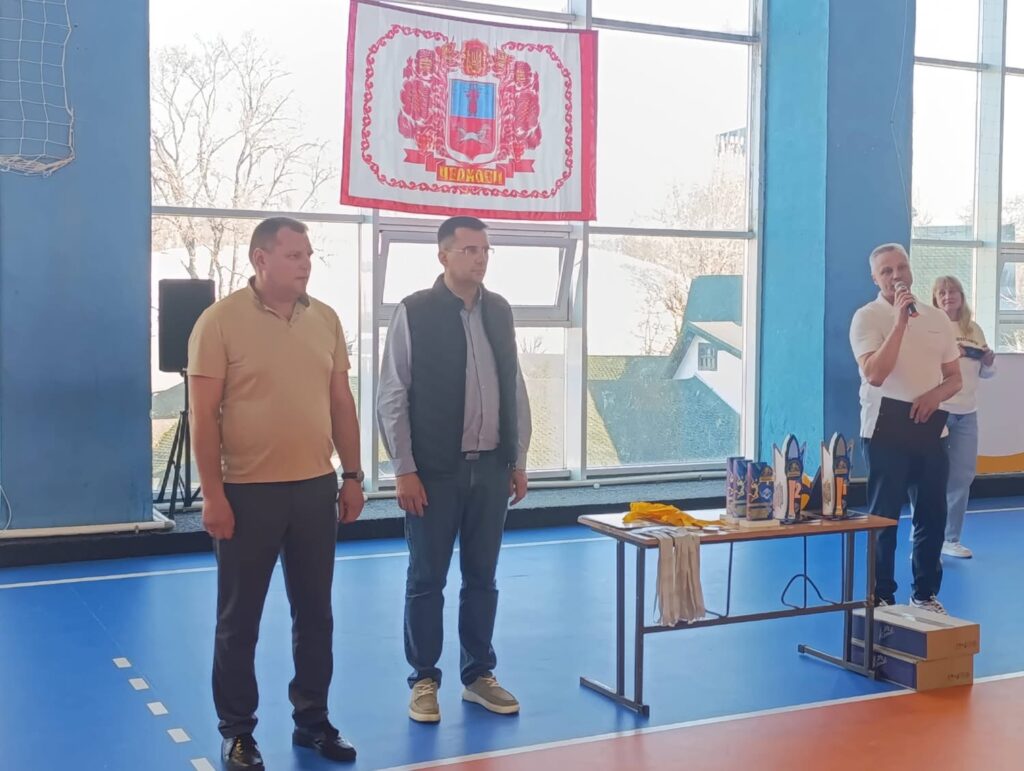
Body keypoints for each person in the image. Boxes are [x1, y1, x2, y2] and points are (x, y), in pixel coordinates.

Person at [189, 217, 364, 770]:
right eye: (293, 255)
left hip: (314, 489)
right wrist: (212, 495)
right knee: (239, 620)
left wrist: (352, 475)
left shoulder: (326, 319)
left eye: (308, 255)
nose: (305, 264)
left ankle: (313, 721)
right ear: (260, 259)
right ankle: (238, 732)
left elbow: (340, 401)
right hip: (245, 493)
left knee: (315, 615)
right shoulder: (219, 322)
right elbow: (203, 416)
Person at [377, 215, 532, 724]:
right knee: (426, 580)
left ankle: (478, 676)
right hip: (434, 473)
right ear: (443, 255)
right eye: (469, 249)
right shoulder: (415, 311)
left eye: (485, 250)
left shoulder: (500, 311)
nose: (480, 258)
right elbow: (393, 394)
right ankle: (424, 680)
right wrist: (404, 469)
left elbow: (513, 387)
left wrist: (517, 459)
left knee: (482, 578)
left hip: (491, 469)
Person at [849, 243, 962, 614]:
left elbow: (954, 377)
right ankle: (881, 595)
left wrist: (935, 395)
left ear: (911, 270)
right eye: (887, 271)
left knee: (932, 516)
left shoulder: (937, 318)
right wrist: (899, 323)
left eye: (901, 267)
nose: (896, 276)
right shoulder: (867, 318)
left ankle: (925, 594)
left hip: (930, 431)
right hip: (885, 433)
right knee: (884, 519)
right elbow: (875, 374)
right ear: (875, 278)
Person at [932, 275, 996, 559]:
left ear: (961, 296)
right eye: (942, 293)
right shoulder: (932, 327)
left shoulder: (974, 329)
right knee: (930, 475)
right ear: (935, 299)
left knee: (962, 476)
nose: (948, 297)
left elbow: (985, 373)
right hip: (939, 409)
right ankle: (924, 534)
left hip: (967, 412)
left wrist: (988, 362)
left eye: (953, 291)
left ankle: (950, 538)